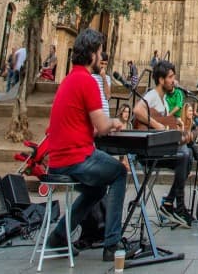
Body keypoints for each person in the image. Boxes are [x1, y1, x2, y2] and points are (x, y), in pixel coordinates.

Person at [44, 29, 127, 262]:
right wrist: (115, 122)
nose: (101, 57)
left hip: (57, 160)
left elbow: (83, 124)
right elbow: (102, 126)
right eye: (99, 52)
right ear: (91, 54)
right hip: (74, 158)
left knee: (97, 189)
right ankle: (112, 245)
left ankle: (59, 236)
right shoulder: (87, 81)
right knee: (119, 173)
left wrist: (100, 127)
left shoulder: (70, 79)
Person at [132, 59, 194, 226]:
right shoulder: (152, 95)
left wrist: (178, 128)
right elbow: (137, 110)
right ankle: (178, 207)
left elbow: (165, 126)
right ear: (161, 80)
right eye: (171, 77)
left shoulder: (165, 101)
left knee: (188, 155)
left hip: (159, 149)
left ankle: (169, 202)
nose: (174, 80)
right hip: (148, 152)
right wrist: (157, 125)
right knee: (184, 154)